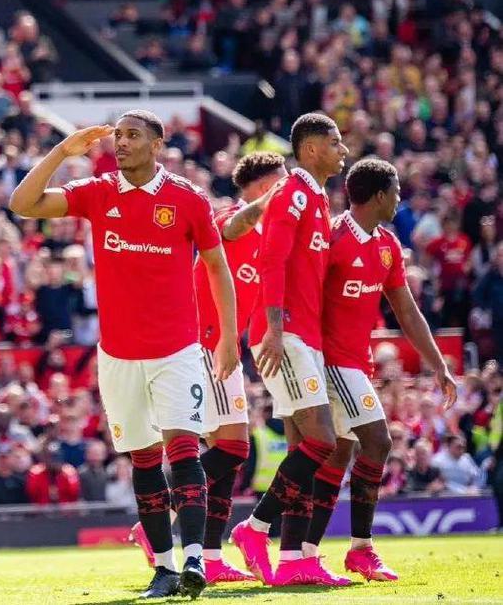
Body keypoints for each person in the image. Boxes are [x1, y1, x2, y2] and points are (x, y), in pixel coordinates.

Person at [10, 111, 239, 599]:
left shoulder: (188, 198)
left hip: (177, 349)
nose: (122, 142)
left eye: (133, 135)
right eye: (118, 135)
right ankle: (164, 569)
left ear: (157, 145)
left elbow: (217, 267)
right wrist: (62, 151)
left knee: (184, 450)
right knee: (143, 458)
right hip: (117, 355)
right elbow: (22, 203)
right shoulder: (98, 192)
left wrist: (227, 338)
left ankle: (195, 559)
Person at [130, 152, 287, 583]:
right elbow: (234, 229)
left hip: (224, 346)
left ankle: (212, 557)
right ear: (263, 187)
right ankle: (157, 519)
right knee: (234, 448)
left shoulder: (272, 237)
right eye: (282, 182)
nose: (289, 188)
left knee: (230, 453)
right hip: (204, 341)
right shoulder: (231, 217)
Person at [300, 158, 457, 582]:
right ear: (380, 196)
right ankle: (361, 549)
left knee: (339, 457)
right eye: (397, 192)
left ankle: (307, 555)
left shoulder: (387, 244)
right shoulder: (331, 237)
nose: (400, 200)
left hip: (357, 363)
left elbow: (406, 309)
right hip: (330, 361)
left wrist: (437, 365)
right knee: (379, 441)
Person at [230, 113, 348, 586]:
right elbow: (271, 259)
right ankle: (255, 527)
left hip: (306, 336)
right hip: (286, 334)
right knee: (323, 441)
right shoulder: (293, 192)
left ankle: (296, 560)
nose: (343, 150)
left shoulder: (317, 198)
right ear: (312, 149)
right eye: (335, 142)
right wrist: (276, 332)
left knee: (303, 448)